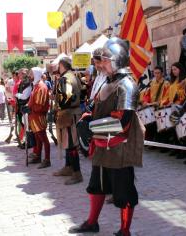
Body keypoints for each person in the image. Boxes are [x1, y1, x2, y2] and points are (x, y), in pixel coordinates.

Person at [69, 37, 144, 236]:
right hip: (102, 145)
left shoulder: (127, 86)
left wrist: (91, 128)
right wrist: (85, 120)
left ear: (118, 60)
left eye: (104, 60)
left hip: (120, 147)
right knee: (97, 186)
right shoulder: (105, 84)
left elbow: (122, 123)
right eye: (99, 61)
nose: (100, 65)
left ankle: (125, 230)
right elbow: (93, 109)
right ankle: (92, 222)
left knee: (124, 191)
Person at [53, 57, 83, 185]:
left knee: (71, 144)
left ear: (61, 65)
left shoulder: (65, 79)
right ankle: (68, 167)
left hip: (68, 114)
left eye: (58, 66)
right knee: (68, 142)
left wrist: (57, 103)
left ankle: (77, 173)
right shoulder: (74, 76)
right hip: (73, 112)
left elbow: (66, 99)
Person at [27, 67, 51, 169]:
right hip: (34, 115)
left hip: (38, 116)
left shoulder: (41, 87)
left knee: (43, 138)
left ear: (36, 74)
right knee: (37, 138)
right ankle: (38, 156)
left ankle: (47, 159)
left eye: (31, 74)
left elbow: (40, 105)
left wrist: (29, 109)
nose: (29, 76)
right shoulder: (36, 86)